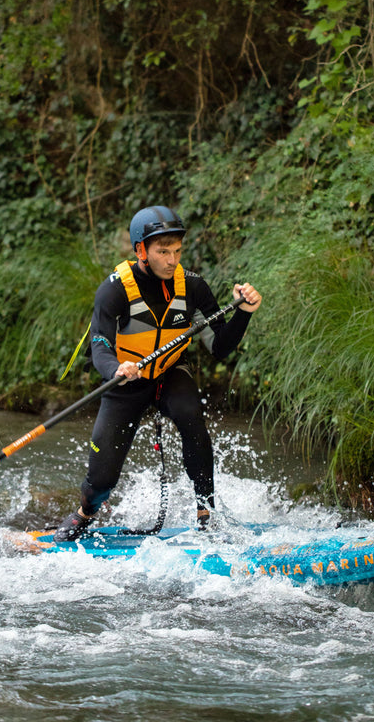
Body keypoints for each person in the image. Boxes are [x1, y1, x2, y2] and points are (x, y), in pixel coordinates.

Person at [53, 205, 262, 542]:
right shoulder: (114, 289)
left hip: (169, 372)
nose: (172, 260)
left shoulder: (193, 287)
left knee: (189, 413)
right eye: (163, 252)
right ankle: (85, 513)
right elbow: (99, 345)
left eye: (177, 251)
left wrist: (244, 313)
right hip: (125, 379)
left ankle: (205, 511)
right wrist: (116, 369)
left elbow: (219, 347)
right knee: (102, 477)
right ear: (141, 251)